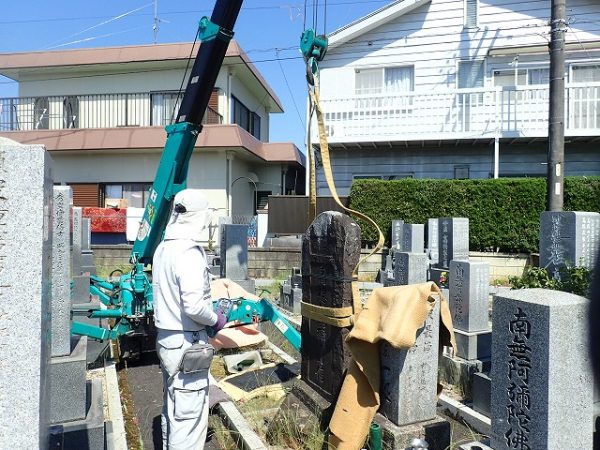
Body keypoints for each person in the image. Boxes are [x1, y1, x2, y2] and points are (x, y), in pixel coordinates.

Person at [152, 189, 227, 450]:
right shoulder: (189, 252)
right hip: (188, 344)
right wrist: (215, 318)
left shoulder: (164, 248)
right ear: (200, 217)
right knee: (189, 420)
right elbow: (194, 306)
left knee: (173, 411)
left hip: (166, 340)